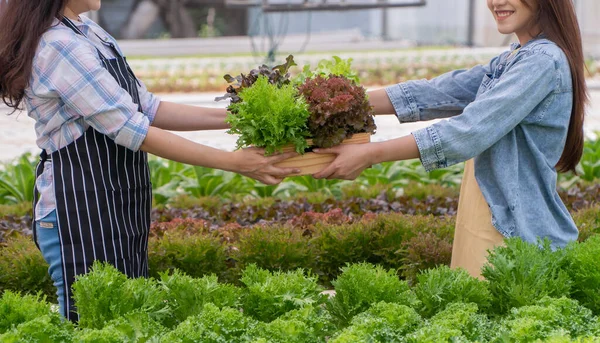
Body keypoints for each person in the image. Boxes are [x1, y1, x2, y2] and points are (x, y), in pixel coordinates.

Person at [0, 0, 299, 321]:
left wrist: (244, 116)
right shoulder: (60, 46)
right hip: (80, 209)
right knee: (92, 323)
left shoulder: (90, 33)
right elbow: (131, 128)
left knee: (125, 321)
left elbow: (148, 107)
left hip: (115, 201)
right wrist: (235, 162)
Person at [314, 0, 587, 278]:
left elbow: (468, 132)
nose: (496, 2)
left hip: (517, 233)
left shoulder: (542, 61)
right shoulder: (514, 58)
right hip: (490, 221)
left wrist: (369, 154)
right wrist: (340, 103)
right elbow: (437, 92)